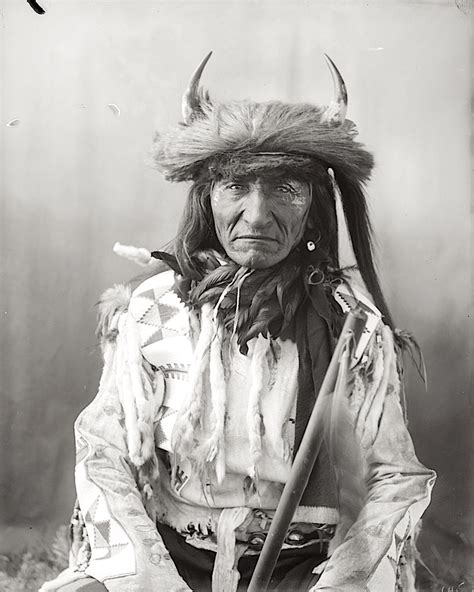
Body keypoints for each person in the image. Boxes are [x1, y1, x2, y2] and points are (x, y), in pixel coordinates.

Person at [41, 53, 435, 592]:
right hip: (169, 557)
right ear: (207, 200)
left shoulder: (351, 325)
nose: (256, 216)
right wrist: (147, 576)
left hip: (305, 567)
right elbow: (104, 451)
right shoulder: (158, 310)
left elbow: (395, 476)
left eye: (285, 191)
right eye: (236, 188)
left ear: (312, 209)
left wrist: (347, 579)